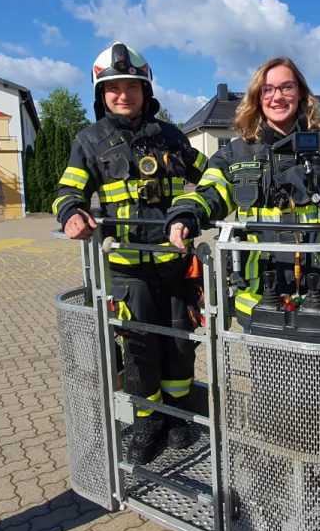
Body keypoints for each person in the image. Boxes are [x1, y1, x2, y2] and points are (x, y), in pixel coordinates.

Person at [166, 56, 320, 324]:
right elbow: (209, 193)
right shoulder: (234, 153)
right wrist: (184, 216)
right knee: (265, 368)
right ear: (257, 97)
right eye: (268, 89)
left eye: (287, 87)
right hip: (259, 299)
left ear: (300, 93)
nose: (278, 97)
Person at [53, 43, 208, 465]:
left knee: (180, 345)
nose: (123, 95)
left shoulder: (172, 138)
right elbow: (68, 191)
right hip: (126, 272)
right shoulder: (89, 141)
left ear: (145, 89)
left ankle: (178, 419)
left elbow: (211, 175)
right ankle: (146, 422)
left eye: (131, 87)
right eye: (113, 88)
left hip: (176, 268)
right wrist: (70, 213)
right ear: (101, 95)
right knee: (139, 349)